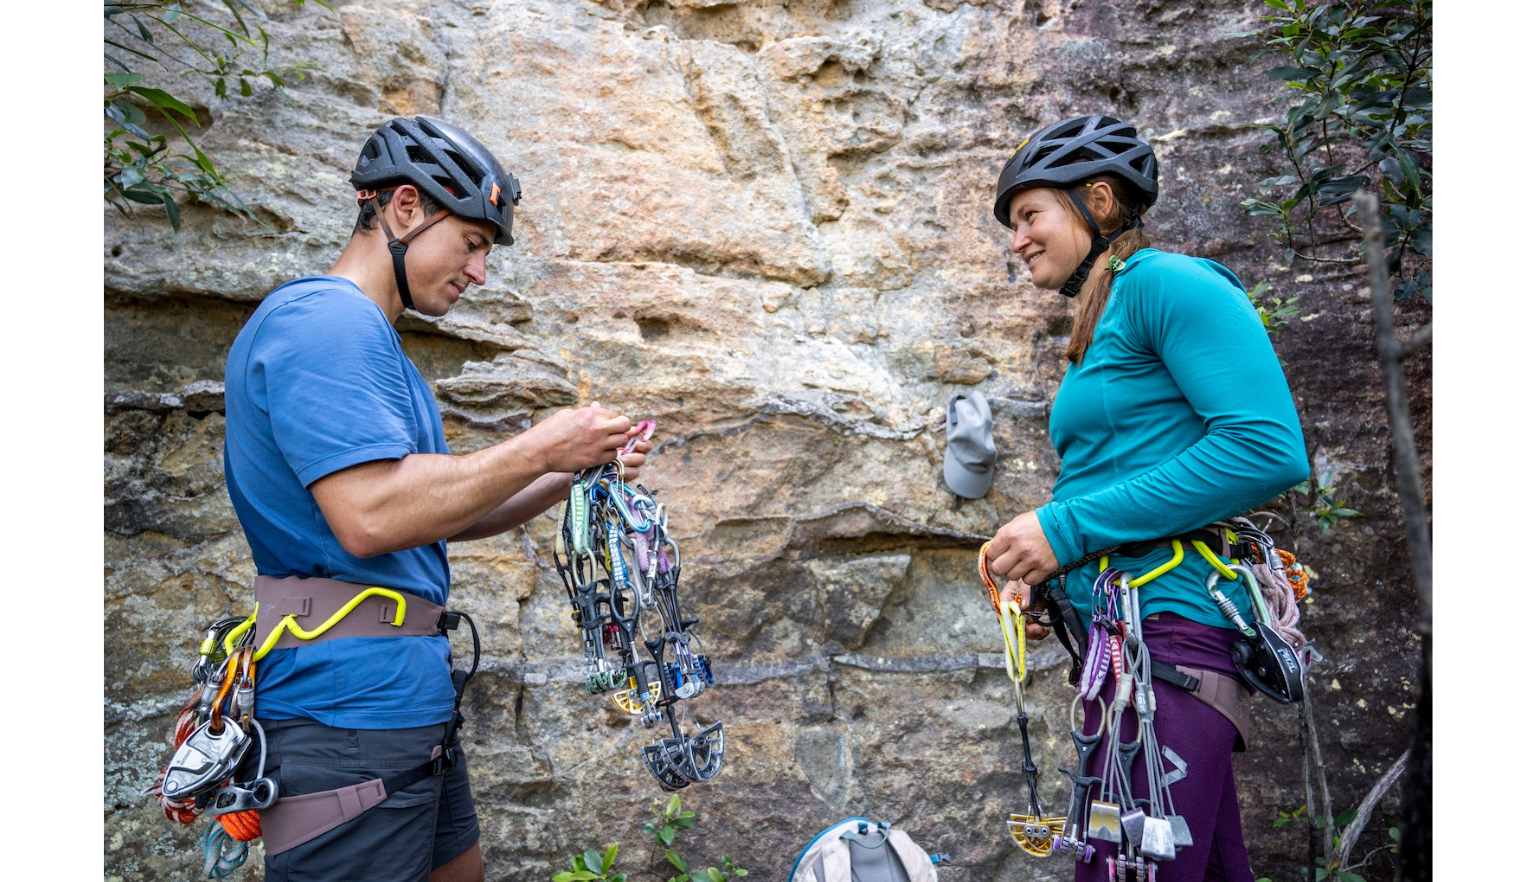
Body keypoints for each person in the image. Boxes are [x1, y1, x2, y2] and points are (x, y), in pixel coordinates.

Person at [221, 116, 651, 882]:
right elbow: (371, 516)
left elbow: (438, 513)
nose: (480, 272)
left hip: (400, 704)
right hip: (345, 711)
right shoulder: (325, 322)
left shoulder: (375, 344)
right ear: (406, 208)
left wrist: (576, 471)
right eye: (475, 243)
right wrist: (540, 445)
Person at [980, 115, 1309, 881]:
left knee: (1121, 872)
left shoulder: (1166, 283)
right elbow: (1127, 471)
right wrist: (1056, 573)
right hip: (1132, 642)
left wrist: (1064, 528)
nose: (1018, 237)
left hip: (1169, 640)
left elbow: (1265, 447)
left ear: (1097, 201)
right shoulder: (1108, 314)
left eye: (1030, 214)